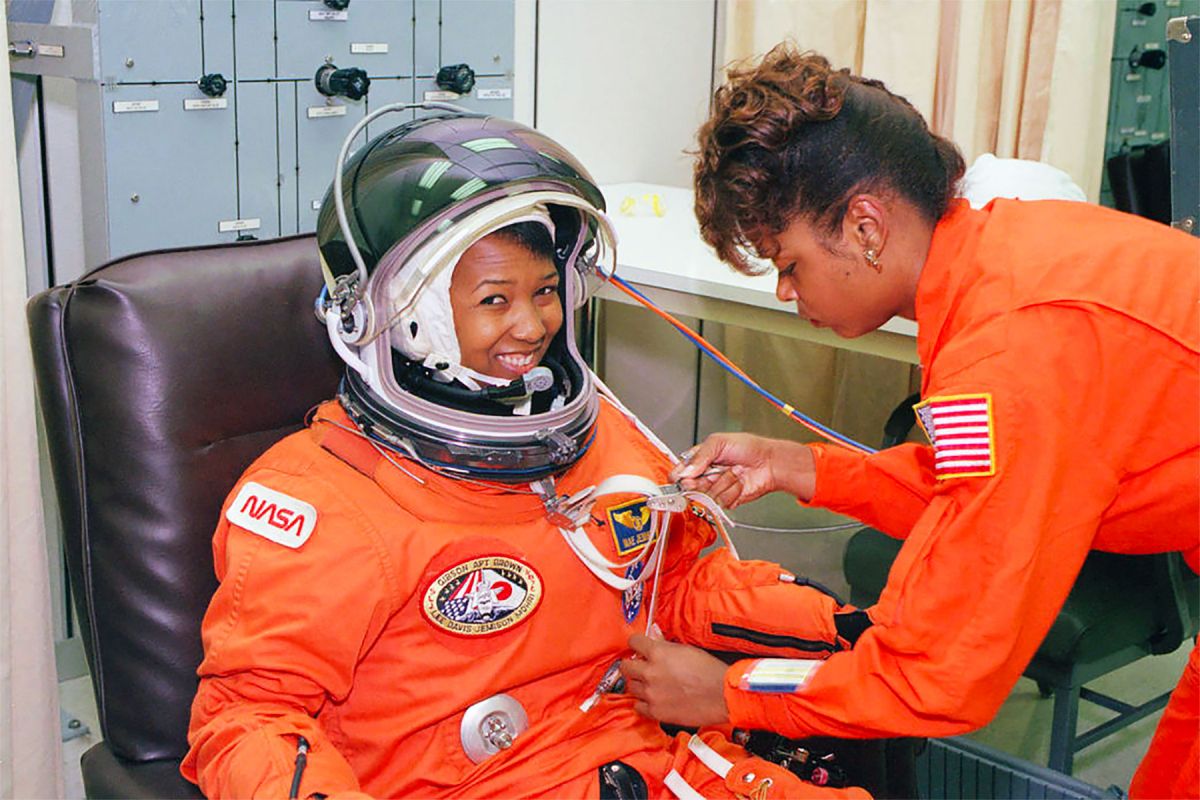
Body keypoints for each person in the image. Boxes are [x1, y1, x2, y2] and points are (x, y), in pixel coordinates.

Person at [180, 111, 874, 800]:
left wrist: (849, 628)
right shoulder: (322, 502)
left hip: (662, 763)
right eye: (494, 300)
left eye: (544, 292)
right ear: (402, 311)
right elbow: (250, 721)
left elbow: (682, 585)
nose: (532, 324)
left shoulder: (604, 436)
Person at [619, 45, 1199, 800]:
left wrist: (727, 693)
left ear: (864, 226)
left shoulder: (1010, 351)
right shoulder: (995, 261)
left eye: (788, 263)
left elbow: (940, 675)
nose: (789, 293)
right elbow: (974, 494)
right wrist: (798, 467)